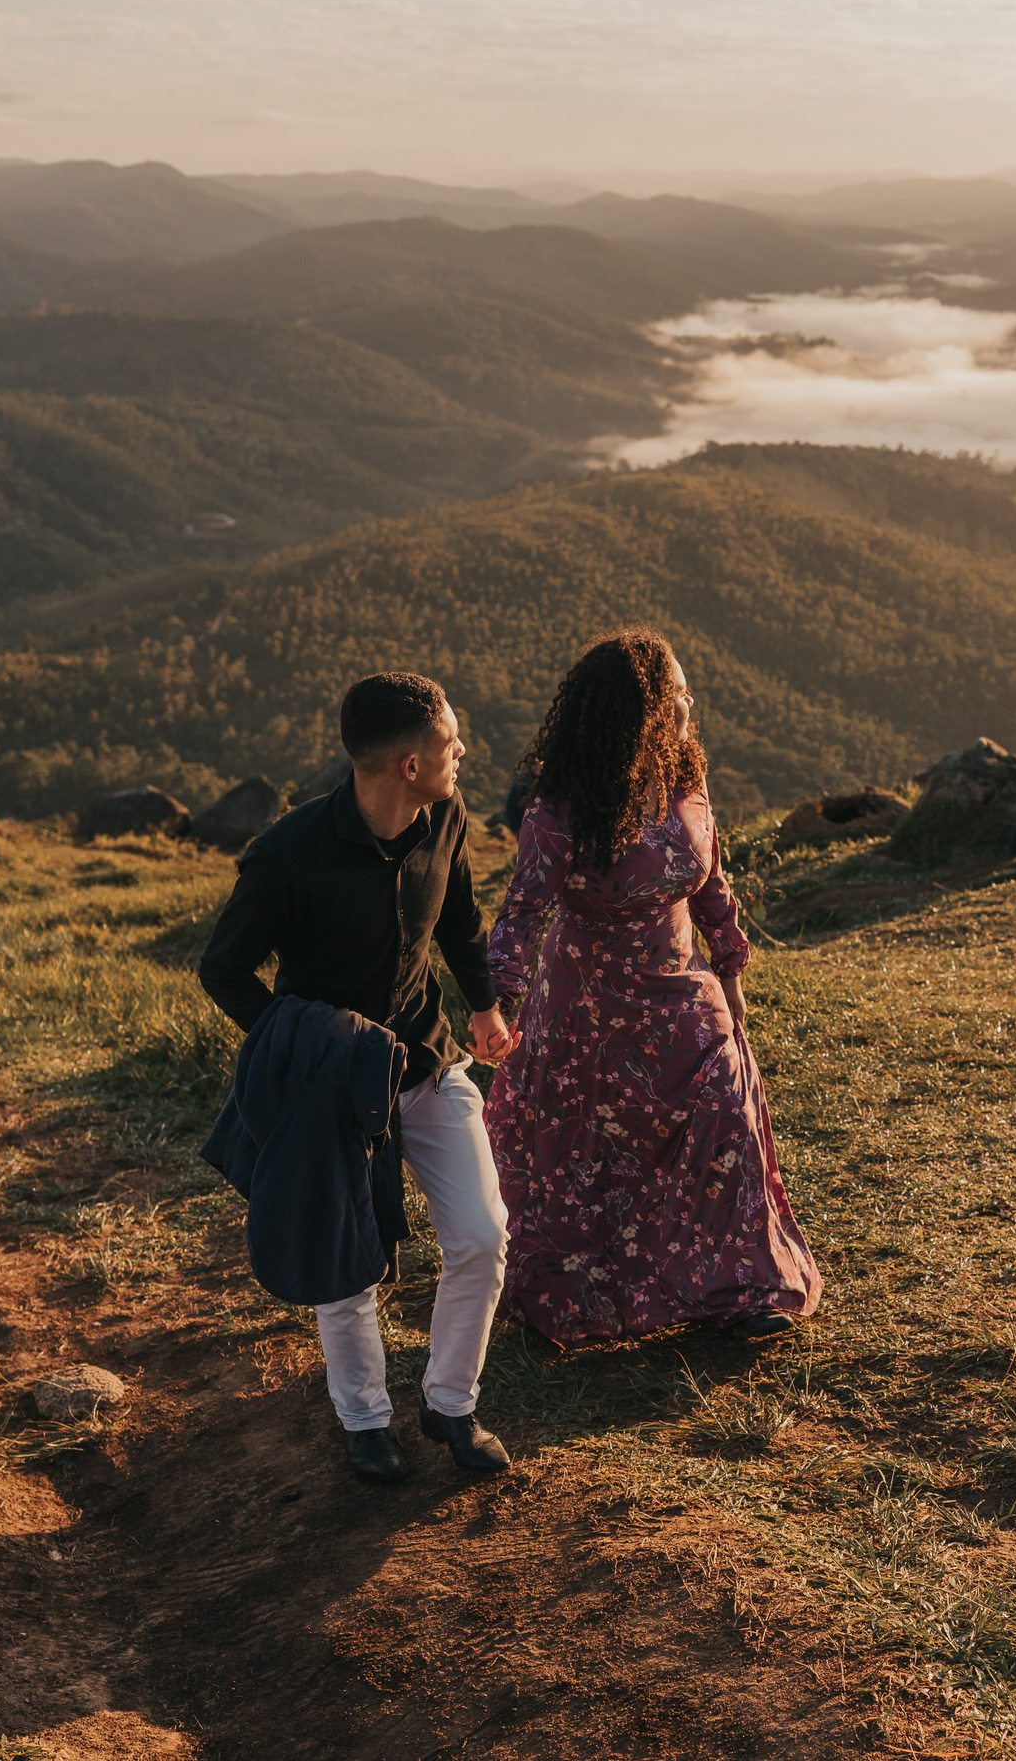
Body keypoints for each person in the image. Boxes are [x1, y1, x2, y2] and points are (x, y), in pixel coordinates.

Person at [199, 671, 520, 1482]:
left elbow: (459, 920)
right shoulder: (285, 858)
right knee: (349, 1266)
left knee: (482, 1237)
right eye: (452, 742)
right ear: (409, 764)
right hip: (333, 1089)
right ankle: (364, 1420)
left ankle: (451, 1405)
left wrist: (483, 1009)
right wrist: (297, 1046)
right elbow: (224, 968)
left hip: (428, 1060)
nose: (463, 752)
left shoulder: (443, 817)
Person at [483, 629, 823, 1346]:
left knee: (725, 1121)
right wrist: (494, 1003)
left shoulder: (685, 779)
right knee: (593, 1164)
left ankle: (736, 1291)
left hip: (684, 1000)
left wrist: (729, 970)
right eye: (674, 696)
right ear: (630, 714)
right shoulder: (561, 811)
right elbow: (522, 911)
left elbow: (713, 883)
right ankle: (587, 1302)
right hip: (591, 1017)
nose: (687, 706)